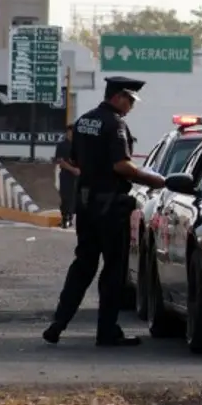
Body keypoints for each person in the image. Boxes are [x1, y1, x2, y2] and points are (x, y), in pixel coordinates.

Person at [43, 77, 167, 347]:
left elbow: (76, 158)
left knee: (82, 265)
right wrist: (155, 180)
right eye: (130, 100)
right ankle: (107, 330)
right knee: (113, 269)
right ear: (119, 97)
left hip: (86, 203)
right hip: (110, 206)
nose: (131, 106)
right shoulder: (115, 124)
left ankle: (58, 323)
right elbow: (121, 166)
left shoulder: (83, 121)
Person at [54, 126, 80, 229]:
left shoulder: (80, 145)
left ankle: (70, 217)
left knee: (75, 198)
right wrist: (72, 169)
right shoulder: (62, 145)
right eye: (70, 132)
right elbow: (59, 161)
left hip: (78, 176)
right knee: (65, 197)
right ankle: (65, 217)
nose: (72, 134)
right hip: (66, 174)